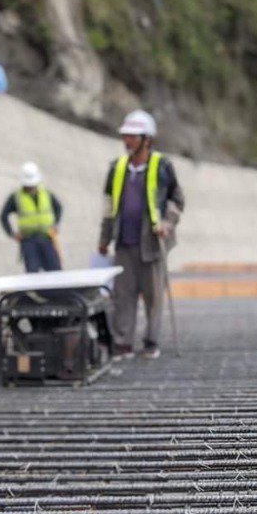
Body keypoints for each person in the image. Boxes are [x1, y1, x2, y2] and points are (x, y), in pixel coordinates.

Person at [98, 110, 184, 361]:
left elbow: (177, 201)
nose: (128, 142)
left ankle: (151, 342)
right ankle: (122, 343)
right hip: (124, 242)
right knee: (122, 297)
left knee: (153, 297)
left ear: (147, 139)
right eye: (126, 137)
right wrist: (104, 239)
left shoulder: (162, 167)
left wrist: (167, 224)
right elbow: (108, 206)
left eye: (133, 137)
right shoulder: (117, 168)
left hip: (152, 243)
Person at [0, 162, 63, 272]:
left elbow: (58, 208)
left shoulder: (46, 194)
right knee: (33, 272)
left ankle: (56, 290)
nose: (30, 187)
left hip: (47, 237)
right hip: (28, 241)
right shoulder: (16, 197)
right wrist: (12, 233)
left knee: (55, 270)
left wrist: (55, 224)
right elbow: (3, 216)